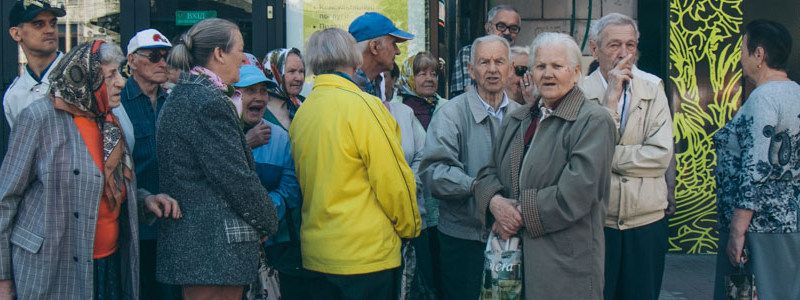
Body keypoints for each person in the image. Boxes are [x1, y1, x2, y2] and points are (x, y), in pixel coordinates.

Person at [0, 40, 180, 299]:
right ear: (84, 78)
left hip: (108, 263)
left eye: (120, 73)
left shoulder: (109, 121)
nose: (120, 82)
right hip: (54, 265)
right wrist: (3, 278)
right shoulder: (40, 119)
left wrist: (145, 200)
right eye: (111, 75)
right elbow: (6, 199)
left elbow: (107, 186)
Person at [474, 32, 616, 300]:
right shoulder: (518, 118)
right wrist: (494, 204)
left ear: (575, 72)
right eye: (540, 66)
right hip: (512, 262)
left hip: (565, 265)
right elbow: (487, 173)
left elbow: (576, 194)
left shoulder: (593, 121)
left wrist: (512, 216)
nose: (548, 74)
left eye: (557, 66)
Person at [290, 28, 420, 299]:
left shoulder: (303, 111)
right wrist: (410, 228)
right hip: (366, 256)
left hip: (317, 254)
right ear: (355, 58)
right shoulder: (365, 106)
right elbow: (393, 180)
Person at [156, 18, 278, 300]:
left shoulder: (190, 94)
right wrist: (268, 221)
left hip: (203, 248)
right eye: (240, 50)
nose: (245, 60)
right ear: (219, 53)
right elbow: (235, 178)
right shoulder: (207, 101)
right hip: (211, 248)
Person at [579, 13, 674, 300]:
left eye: (630, 45)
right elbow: (580, 156)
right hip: (598, 221)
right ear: (594, 49)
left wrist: (608, 158)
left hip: (645, 221)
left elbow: (660, 154)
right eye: (614, 45)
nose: (624, 54)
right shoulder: (580, 92)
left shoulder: (653, 87)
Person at [420, 34, 520, 299]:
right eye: (484, 62)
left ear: (510, 68)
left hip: (513, 235)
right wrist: (483, 193)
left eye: (499, 61)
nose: (492, 69)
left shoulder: (522, 115)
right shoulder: (451, 113)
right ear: (471, 70)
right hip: (464, 238)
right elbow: (434, 173)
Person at [713, 19, 800, 300]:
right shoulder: (796, 93)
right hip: (790, 222)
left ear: (759, 55)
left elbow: (755, 168)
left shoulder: (762, 99)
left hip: (757, 229)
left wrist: (738, 231)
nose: (740, 57)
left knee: (749, 293)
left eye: (742, 49)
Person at [233, 65, 308, 299]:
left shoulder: (279, 137)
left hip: (274, 245)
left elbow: (290, 189)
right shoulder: (220, 133)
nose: (259, 97)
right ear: (233, 96)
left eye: (264, 91)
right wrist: (245, 145)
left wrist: (265, 217)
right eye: (250, 90)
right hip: (230, 247)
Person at [119, 28, 182, 300]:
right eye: (154, 56)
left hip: (173, 222)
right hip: (133, 222)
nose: (162, 63)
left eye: (167, 56)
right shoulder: (117, 101)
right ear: (132, 60)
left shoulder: (175, 101)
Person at [392, 51, 448, 297]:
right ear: (408, 77)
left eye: (433, 73)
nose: (429, 78)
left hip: (445, 203)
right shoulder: (396, 109)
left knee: (440, 269)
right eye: (422, 73)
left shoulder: (448, 107)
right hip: (412, 206)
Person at [450, 5, 521, 97]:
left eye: (513, 28)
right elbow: (462, 94)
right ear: (488, 28)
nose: (507, 32)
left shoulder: (521, 58)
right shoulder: (469, 53)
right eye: (501, 26)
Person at [348, 12, 414, 99]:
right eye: (393, 43)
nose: (398, 51)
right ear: (374, 47)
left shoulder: (375, 82)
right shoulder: (345, 85)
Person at [262, 48, 306, 130]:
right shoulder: (258, 110)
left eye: (301, 71)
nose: (299, 78)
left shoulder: (305, 104)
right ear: (275, 73)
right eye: (292, 71)